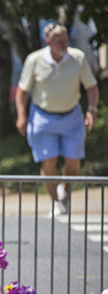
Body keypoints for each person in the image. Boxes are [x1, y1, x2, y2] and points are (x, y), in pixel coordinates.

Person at [15, 23, 98, 216]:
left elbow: (91, 86)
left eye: (65, 39)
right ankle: (55, 202)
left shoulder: (78, 58)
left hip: (72, 116)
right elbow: (22, 90)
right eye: (58, 40)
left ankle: (65, 190)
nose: (63, 43)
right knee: (48, 161)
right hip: (43, 117)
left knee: (73, 164)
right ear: (48, 41)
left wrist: (92, 109)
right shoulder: (34, 60)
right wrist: (21, 115)